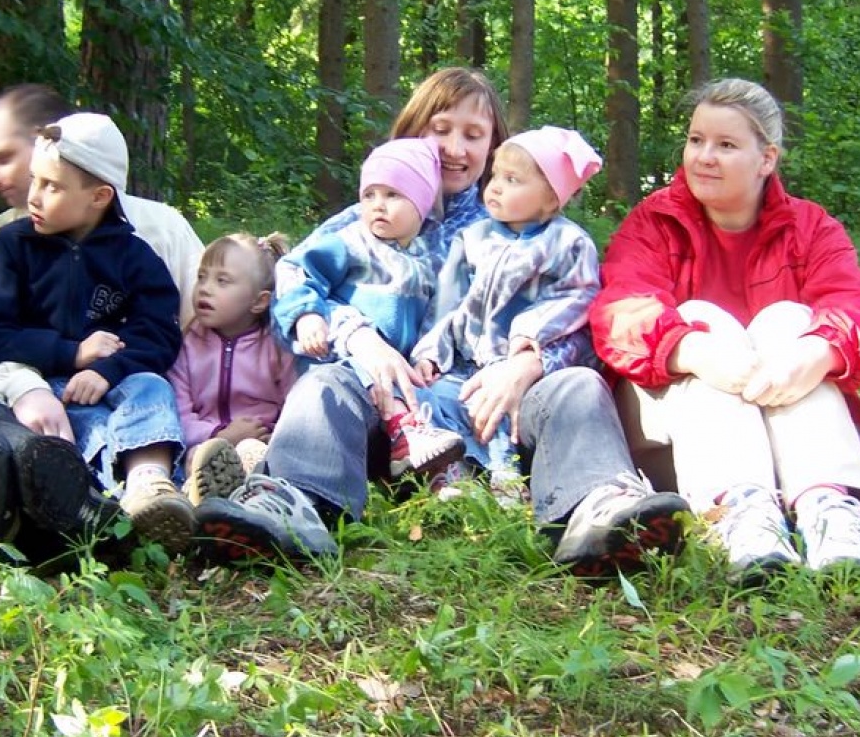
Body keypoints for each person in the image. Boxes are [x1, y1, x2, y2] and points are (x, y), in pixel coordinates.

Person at [195, 66, 688, 576]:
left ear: (495, 148)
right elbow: (295, 279)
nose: (455, 147)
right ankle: (295, 503)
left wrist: (528, 365)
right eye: (441, 128)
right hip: (377, 408)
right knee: (325, 385)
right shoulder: (372, 212)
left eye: (473, 135)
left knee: (578, 386)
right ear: (414, 131)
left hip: (482, 410)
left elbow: (580, 320)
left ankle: (597, 509)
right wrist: (358, 337)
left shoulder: (525, 228)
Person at [591, 78, 860, 583]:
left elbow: (855, 309)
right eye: (696, 140)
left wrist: (816, 353)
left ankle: (827, 510)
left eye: (725, 145)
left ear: (766, 158)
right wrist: (693, 348)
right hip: (674, 422)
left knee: (790, 322)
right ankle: (743, 514)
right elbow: (621, 309)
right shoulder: (653, 222)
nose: (704, 156)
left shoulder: (811, 228)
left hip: (785, 422)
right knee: (706, 317)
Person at [0, 83, 203, 566]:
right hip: (37, 393)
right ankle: (44, 499)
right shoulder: (1, 245)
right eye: (34, 179)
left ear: (99, 196)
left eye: (49, 185)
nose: (31, 194)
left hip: (119, 383)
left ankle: (148, 486)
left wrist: (110, 369)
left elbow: (162, 327)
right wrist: (65, 358)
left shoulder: (144, 244)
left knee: (146, 389)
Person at [411, 126, 604, 499]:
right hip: (465, 363)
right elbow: (448, 304)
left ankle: (507, 481)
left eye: (512, 179)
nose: (495, 186)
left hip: (518, 362)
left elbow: (579, 296)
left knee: (502, 416)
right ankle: (453, 473)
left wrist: (531, 332)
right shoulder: (474, 237)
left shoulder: (568, 243)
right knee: (432, 399)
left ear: (551, 198)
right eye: (496, 175)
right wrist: (431, 352)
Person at [274, 136, 464, 481]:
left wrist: (431, 354)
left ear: (421, 203)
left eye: (393, 195)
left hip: (402, 363)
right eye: (369, 194)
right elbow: (300, 269)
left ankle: (435, 470)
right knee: (360, 375)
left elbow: (443, 313)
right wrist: (307, 314)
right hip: (344, 355)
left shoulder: (435, 255)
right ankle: (405, 431)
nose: (378, 205)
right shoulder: (351, 241)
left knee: (425, 388)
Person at [168, 231, 297, 501]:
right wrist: (220, 436)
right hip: (205, 443)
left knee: (253, 451)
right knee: (196, 459)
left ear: (259, 301)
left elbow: (295, 404)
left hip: (262, 440)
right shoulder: (187, 343)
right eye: (201, 277)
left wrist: (272, 434)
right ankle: (200, 499)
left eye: (222, 281)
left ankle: (254, 499)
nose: (205, 288)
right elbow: (178, 410)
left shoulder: (276, 345)